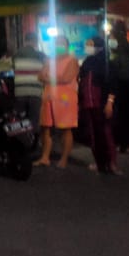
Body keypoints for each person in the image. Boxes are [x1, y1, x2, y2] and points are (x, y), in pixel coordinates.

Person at [36, 34, 79, 168]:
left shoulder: (72, 60)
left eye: (61, 43)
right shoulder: (50, 60)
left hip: (65, 100)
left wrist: (48, 78)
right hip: (48, 97)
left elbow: (66, 78)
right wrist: (52, 78)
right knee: (45, 128)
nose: (59, 46)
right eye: (56, 43)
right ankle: (45, 157)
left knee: (65, 129)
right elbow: (39, 76)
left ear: (67, 46)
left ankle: (64, 159)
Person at [78, 37, 119, 174]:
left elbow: (112, 85)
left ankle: (111, 163)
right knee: (93, 135)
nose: (88, 47)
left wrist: (110, 103)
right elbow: (82, 83)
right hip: (88, 104)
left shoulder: (107, 63)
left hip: (101, 103)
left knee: (106, 133)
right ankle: (99, 162)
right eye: (87, 44)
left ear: (98, 46)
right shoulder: (87, 62)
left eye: (90, 45)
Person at [107, 21, 129, 153]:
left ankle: (126, 142)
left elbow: (125, 73)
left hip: (123, 89)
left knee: (124, 116)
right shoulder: (115, 51)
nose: (110, 40)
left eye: (112, 37)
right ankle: (122, 142)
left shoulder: (122, 52)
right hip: (121, 88)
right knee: (121, 117)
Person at [11, 41, 45, 135]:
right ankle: (33, 140)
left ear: (26, 41)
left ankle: (21, 139)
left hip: (20, 91)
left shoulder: (16, 55)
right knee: (34, 118)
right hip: (36, 92)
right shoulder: (41, 55)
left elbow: (13, 68)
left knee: (20, 118)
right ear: (35, 41)